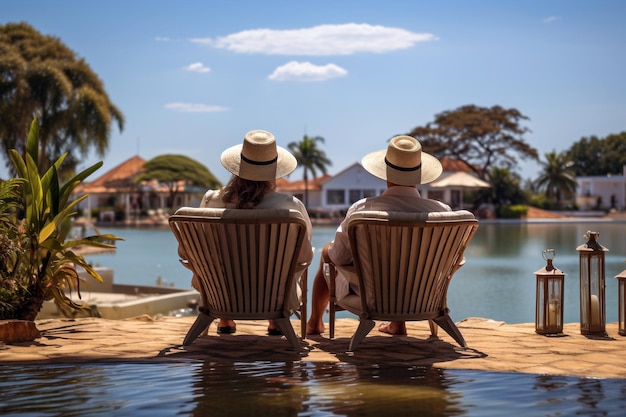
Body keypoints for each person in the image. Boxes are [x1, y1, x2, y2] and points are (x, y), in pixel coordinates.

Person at [306, 135, 451, 336]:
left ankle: (314, 323)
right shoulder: (442, 213)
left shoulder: (364, 209)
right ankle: (397, 324)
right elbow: (454, 261)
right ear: (418, 176)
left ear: (386, 175)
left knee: (326, 253)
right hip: (424, 295)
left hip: (373, 295)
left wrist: (328, 252)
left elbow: (339, 257)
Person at [183, 130, 313, 335]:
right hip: (274, 296)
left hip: (219, 295)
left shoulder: (211, 201)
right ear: (274, 171)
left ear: (237, 167)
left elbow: (187, 253)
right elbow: (304, 256)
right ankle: (274, 319)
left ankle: (225, 317)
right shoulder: (290, 206)